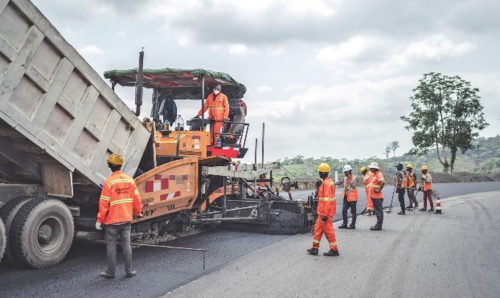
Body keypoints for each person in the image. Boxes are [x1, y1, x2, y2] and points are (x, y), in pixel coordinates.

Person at [96, 154, 142, 278]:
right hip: (126, 219)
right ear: (121, 165)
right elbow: (137, 199)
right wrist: (138, 213)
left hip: (112, 221)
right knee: (126, 245)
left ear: (110, 166)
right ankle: (129, 271)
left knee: (111, 246)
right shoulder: (129, 180)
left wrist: (99, 220)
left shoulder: (109, 182)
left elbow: (104, 203)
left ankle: (111, 272)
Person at [307, 163, 339, 257]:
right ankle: (315, 248)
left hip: (326, 213)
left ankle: (334, 250)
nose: (319, 173)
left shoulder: (327, 184)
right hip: (321, 212)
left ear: (321, 173)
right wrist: (319, 186)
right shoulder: (325, 183)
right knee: (317, 229)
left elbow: (328, 200)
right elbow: (322, 196)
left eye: (319, 172)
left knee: (328, 231)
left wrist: (325, 214)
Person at [338, 165, 359, 229]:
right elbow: (339, 182)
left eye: (346, 172)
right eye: (344, 172)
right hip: (346, 197)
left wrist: (349, 179)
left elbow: (353, 186)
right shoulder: (344, 178)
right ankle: (345, 223)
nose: (345, 173)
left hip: (352, 198)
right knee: (344, 210)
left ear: (349, 171)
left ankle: (353, 224)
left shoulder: (355, 178)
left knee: (353, 212)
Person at [368, 162, 385, 230]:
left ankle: (379, 225)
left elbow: (383, 182)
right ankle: (378, 224)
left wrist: (379, 190)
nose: (370, 168)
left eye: (371, 167)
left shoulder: (378, 174)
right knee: (378, 211)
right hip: (374, 196)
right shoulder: (375, 174)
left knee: (379, 211)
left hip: (377, 196)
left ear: (374, 168)